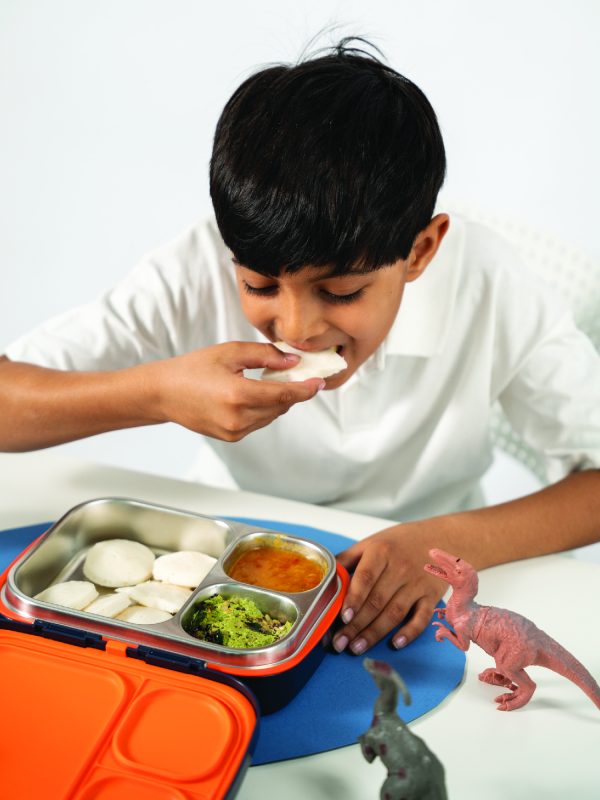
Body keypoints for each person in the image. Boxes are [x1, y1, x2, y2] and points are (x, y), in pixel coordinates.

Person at [1, 40, 599, 657]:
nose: (295, 327)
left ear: (420, 252)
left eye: (340, 292)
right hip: (232, 534)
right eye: (260, 286)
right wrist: (157, 394)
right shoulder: (195, 265)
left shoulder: (489, 282)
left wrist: (450, 544)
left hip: (425, 561)